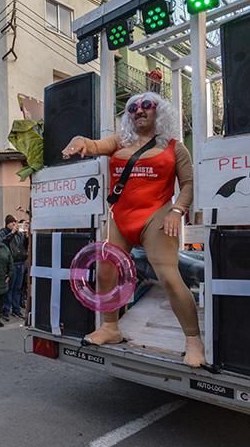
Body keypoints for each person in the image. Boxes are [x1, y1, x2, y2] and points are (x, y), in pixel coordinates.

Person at [61, 92, 203, 366]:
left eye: (146, 105)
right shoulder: (119, 142)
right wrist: (80, 142)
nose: (139, 110)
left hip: (156, 217)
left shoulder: (176, 147)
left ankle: (193, 339)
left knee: (169, 278)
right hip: (121, 217)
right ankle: (110, 327)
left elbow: (188, 184)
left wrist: (177, 211)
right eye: (132, 107)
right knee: (105, 270)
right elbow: (93, 145)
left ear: (158, 111)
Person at [0, 215, 28, 320]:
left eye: (16, 223)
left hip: (20, 262)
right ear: (8, 223)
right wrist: (12, 233)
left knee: (18, 288)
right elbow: (2, 243)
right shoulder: (3, 232)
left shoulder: (19, 234)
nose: (15, 225)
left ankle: (16, 310)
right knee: (9, 288)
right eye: (13, 223)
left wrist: (26, 236)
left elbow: (24, 246)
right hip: (10, 264)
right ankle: (6, 310)